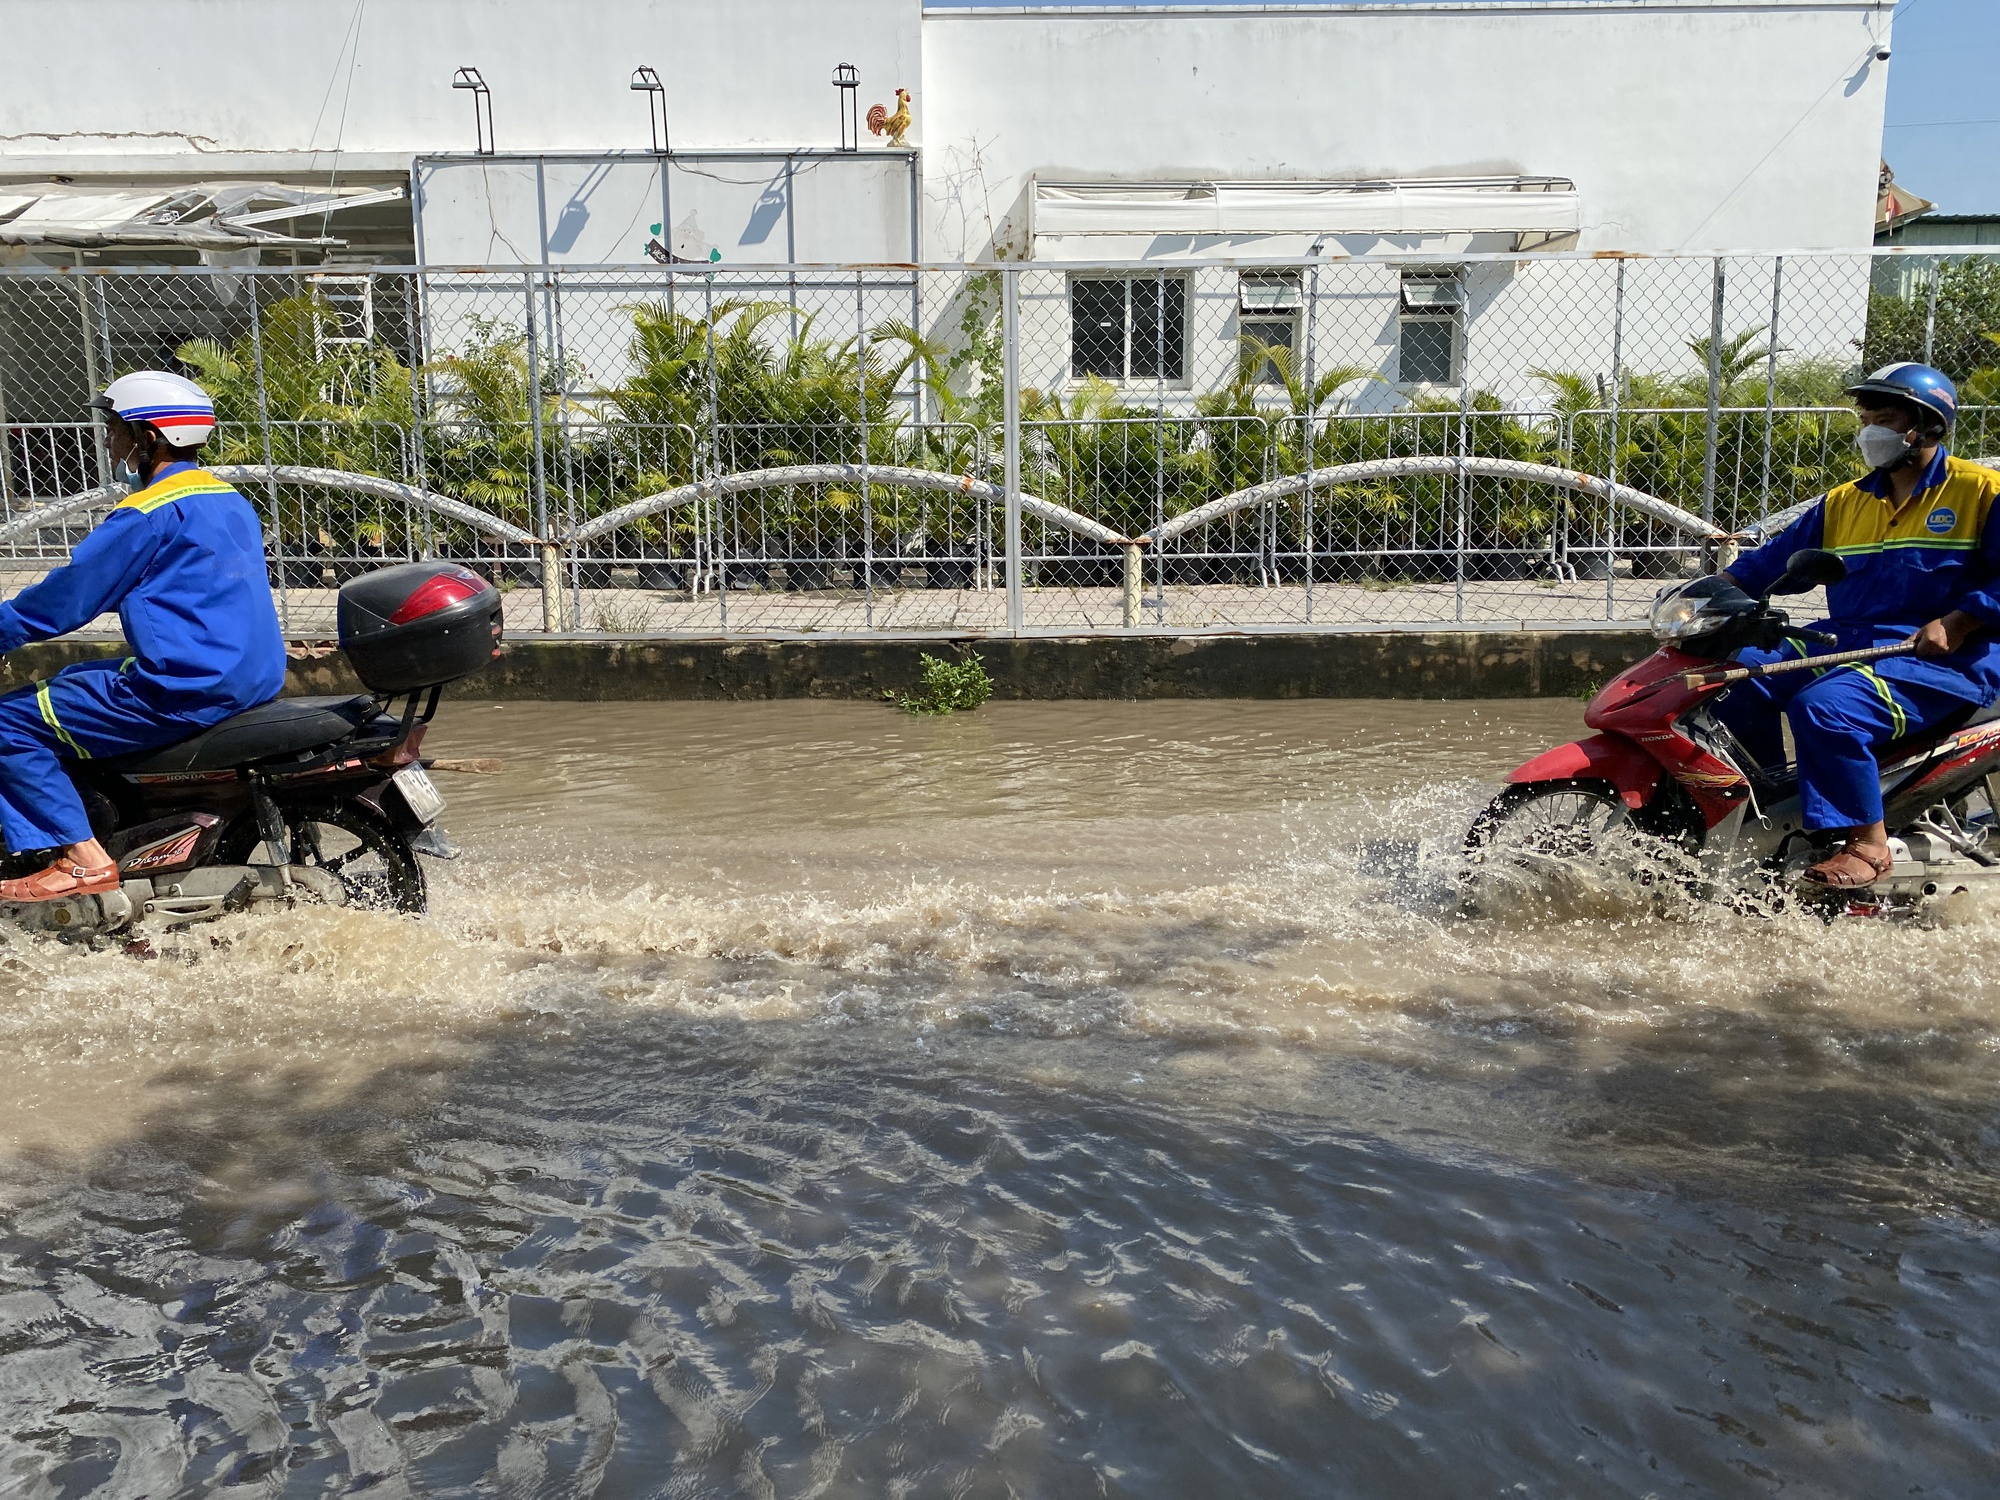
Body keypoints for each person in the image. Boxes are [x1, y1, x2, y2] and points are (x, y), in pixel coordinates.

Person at [0, 371, 285, 901]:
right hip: (250, 676)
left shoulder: (145, 515)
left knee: (7, 722)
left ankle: (82, 859)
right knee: (72, 679)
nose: (110, 441)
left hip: (181, 686)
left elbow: (64, 602)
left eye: (115, 429)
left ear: (148, 438)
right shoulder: (227, 499)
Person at [1715, 361, 2000, 888]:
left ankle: (1867, 843)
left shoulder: (1981, 492)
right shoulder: (1845, 502)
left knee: (1825, 709)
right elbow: (1765, 566)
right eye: (1865, 416)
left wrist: (1960, 622)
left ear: (1927, 424)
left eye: (1884, 417)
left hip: (1946, 656)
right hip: (1852, 641)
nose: (1869, 428)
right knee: (1733, 676)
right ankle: (1770, 809)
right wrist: (1712, 595)